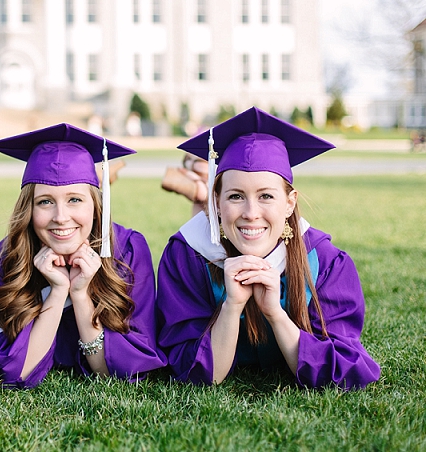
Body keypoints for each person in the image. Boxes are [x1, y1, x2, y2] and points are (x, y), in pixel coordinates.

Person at [156, 107, 381, 389]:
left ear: (289, 203)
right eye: (236, 196)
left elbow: (346, 371)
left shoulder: (325, 262)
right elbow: (193, 373)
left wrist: (275, 313)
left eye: (266, 196)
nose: (251, 213)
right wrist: (231, 306)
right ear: (216, 201)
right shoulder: (186, 256)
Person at [0, 123, 165, 388]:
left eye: (75, 200)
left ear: (95, 205)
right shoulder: (4, 260)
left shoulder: (127, 251)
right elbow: (17, 374)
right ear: (29, 208)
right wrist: (59, 289)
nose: (61, 217)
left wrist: (81, 294)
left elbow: (116, 376)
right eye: (45, 202)